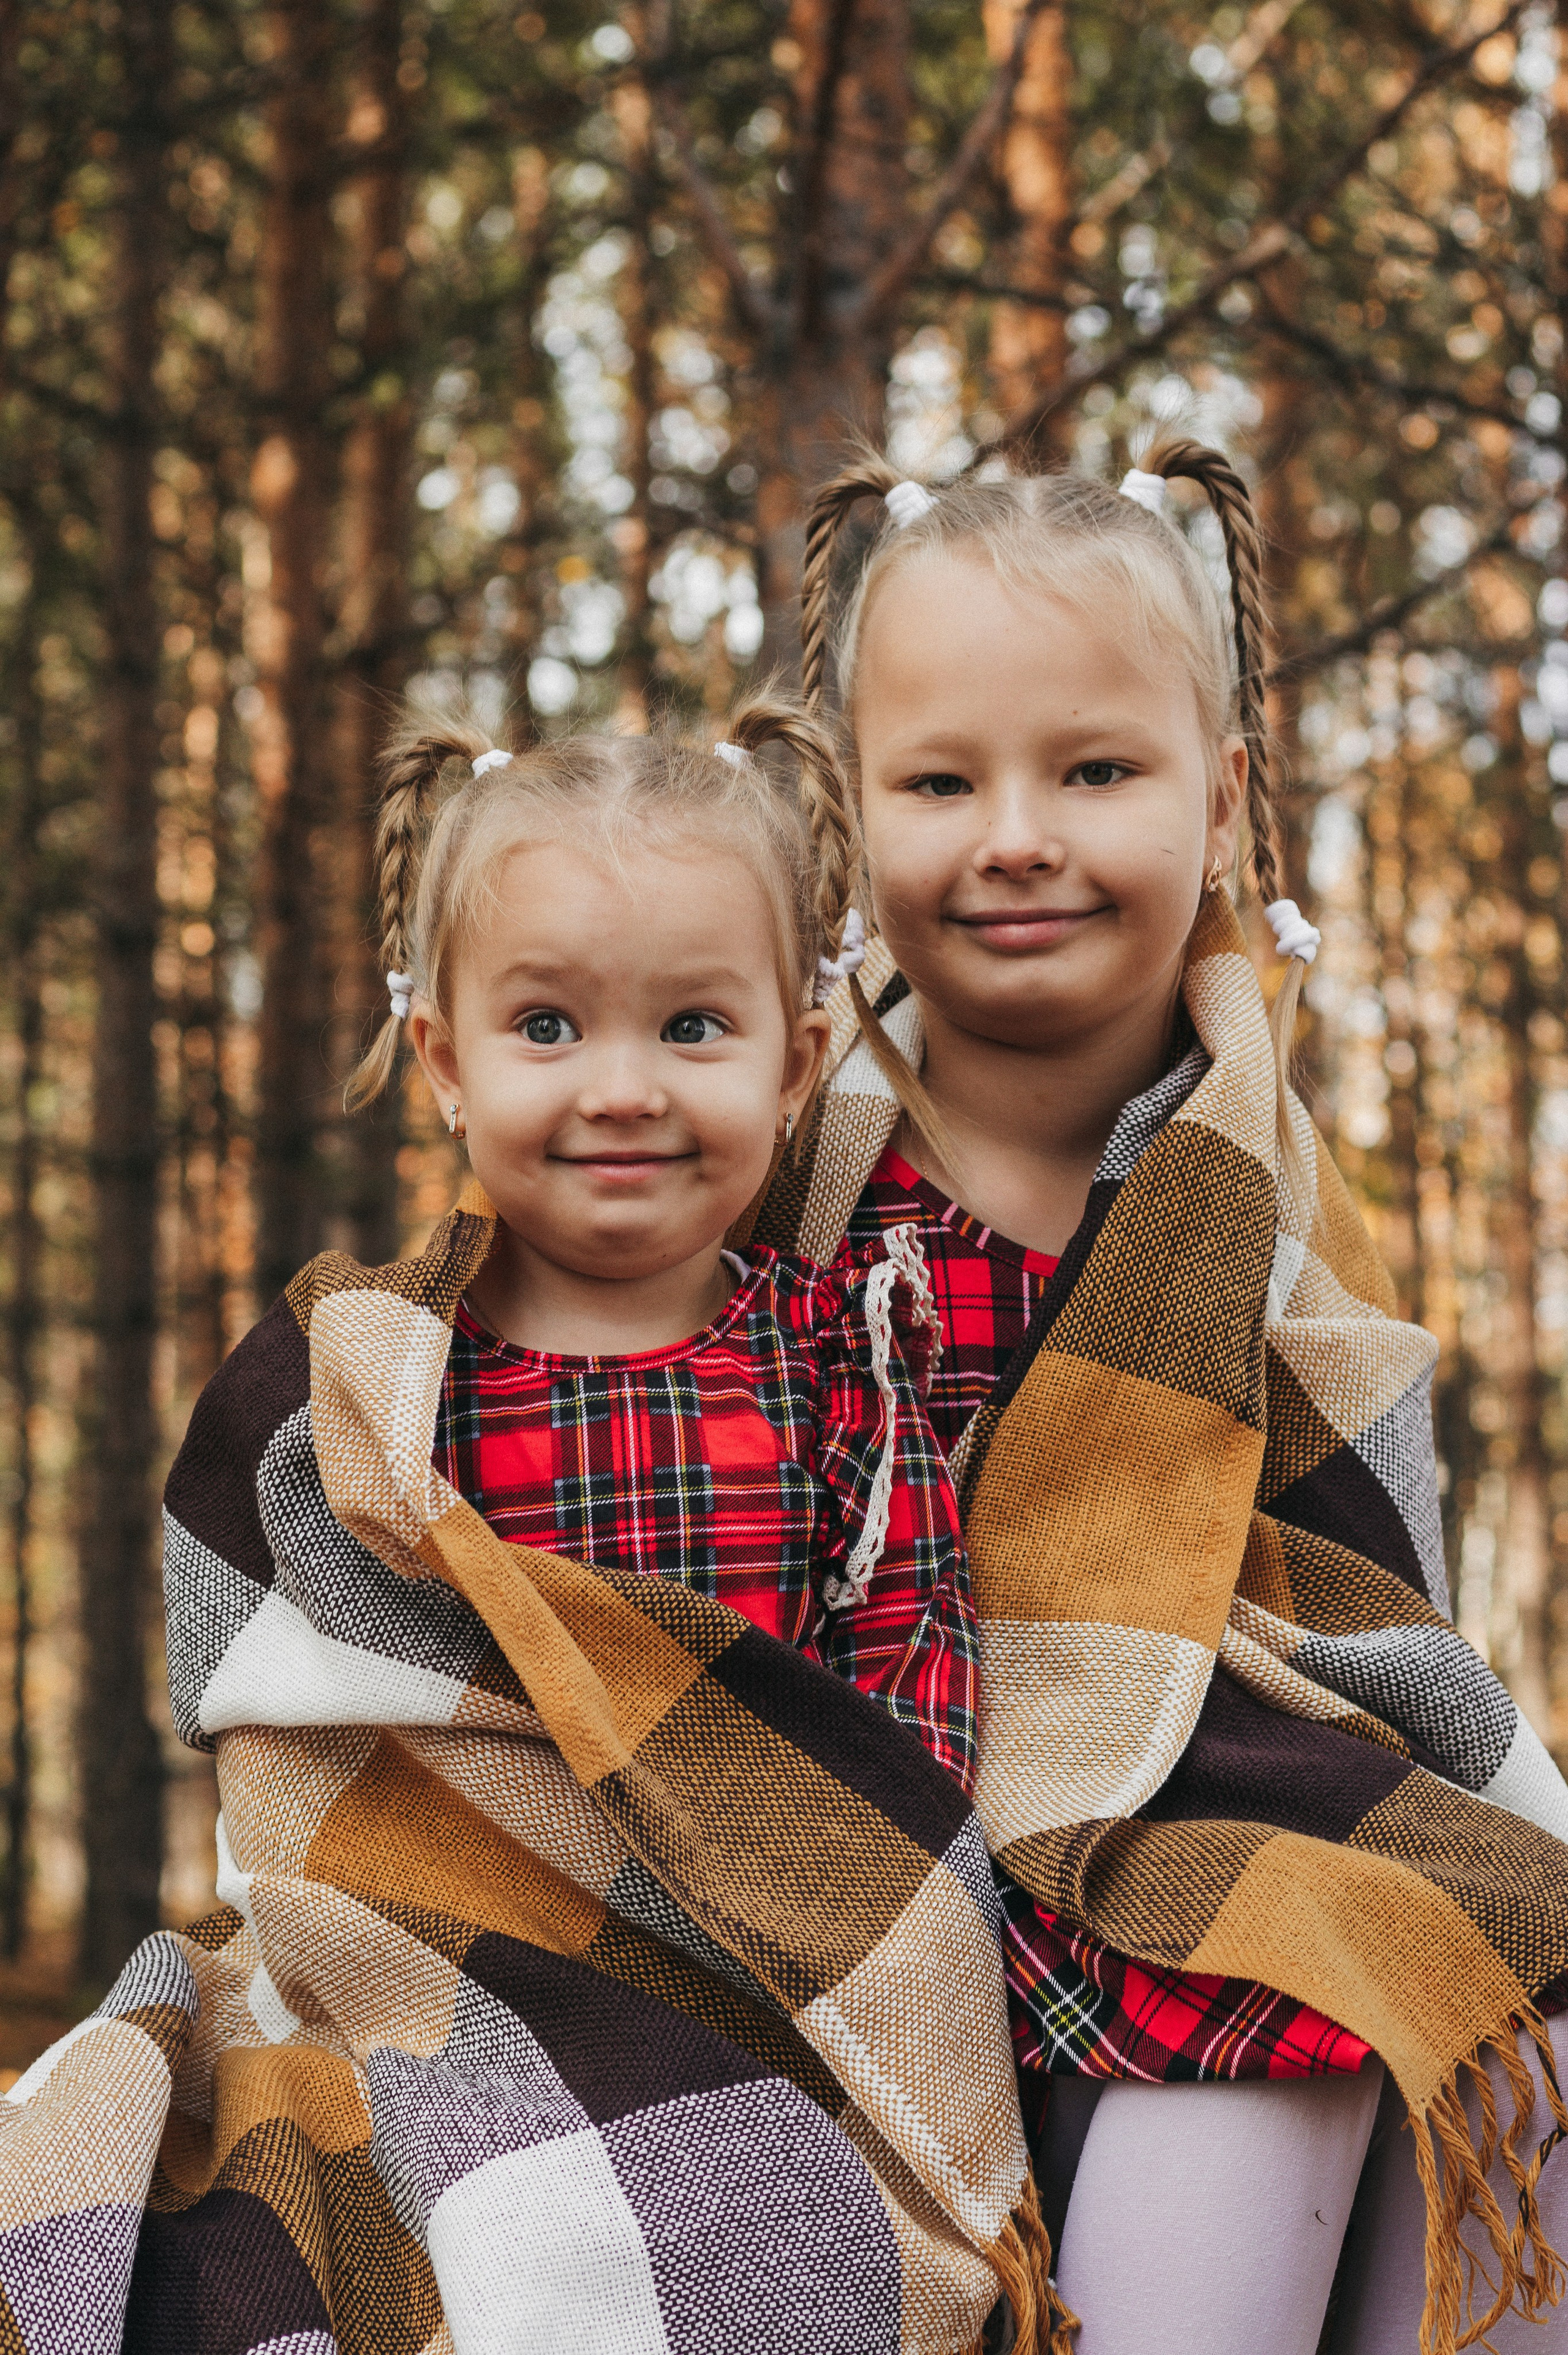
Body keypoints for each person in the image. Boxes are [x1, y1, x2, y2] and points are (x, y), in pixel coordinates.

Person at [742, 439, 1568, 2355]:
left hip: (1213, 1787)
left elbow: (1356, 1608)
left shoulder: (1251, 1186)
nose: (1015, 833)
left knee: (1503, 1982)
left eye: (1094, 770)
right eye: (941, 781)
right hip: (893, 1812)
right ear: (853, 818)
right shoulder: (780, 1166)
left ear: (1221, 804)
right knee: (1275, 2026)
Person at [349, 703, 977, 1788]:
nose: (627, 1095)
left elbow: (914, 1694)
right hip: (475, 1919)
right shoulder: (387, 1381)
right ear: (448, 1067)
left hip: (791, 1915)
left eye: (692, 1027)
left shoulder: (835, 1368)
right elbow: (324, 1706)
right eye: (548, 1026)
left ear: (793, 1069)